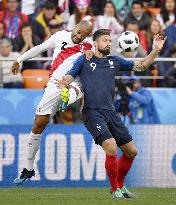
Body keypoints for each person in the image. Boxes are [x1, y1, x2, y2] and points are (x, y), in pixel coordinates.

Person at [58, 29, 166, 199]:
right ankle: (115, 189)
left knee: (131, 151)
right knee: (111, 146)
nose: (108, 43)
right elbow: (69, 77)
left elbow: (142, 65)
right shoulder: (84, 60)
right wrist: (64, 83)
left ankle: (121, 187)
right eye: (105, 40)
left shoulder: (114, 61)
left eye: (110, 40)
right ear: (95, 43)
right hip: (92, 112)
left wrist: (156, 50)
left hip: (111, 112)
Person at [12, 20, 93, 185]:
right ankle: (28, 168)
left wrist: (93, 54)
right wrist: (19, 59)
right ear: (75, 26)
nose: (79, 37)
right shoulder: (60, 36)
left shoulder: (89, 46)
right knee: (37, 126)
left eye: (83, 36)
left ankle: (68, 97)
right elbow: (40, 48)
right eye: (78, 32)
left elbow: (101, 57)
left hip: (73, 83)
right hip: (54, 85)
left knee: (78, 88)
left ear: (87, 36)